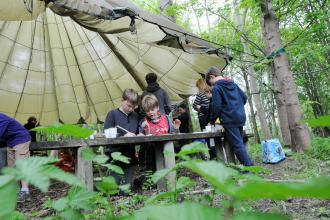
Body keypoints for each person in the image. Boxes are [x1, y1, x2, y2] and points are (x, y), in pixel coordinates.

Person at [205, 67, 253, 166]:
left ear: (212, 76)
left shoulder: (217, 88)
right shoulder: (233, 84)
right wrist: (237, 107)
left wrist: (212, 120)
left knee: (237, 145)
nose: (212, 86)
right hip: (240, 117)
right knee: (239, 143)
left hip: (230, 119)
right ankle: (249, 165)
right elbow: (244, 98)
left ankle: (249, 168)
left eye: (211, 83)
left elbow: (216, 106)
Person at [104, 89, 140, 187]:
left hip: (130, 158)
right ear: (122, 100)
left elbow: (138, 132)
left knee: (126, 192)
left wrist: (141, 133)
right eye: (129, 106)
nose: (131, 109)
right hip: (114, 158)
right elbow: (107, 134)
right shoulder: (112, 114)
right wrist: (123, 136)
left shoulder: (136, 116)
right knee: (112, 190)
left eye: (133, 107)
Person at [139, 95, 180, 171]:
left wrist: (176, 128)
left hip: (168, 149)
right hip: (152, 153)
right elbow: (141, 137)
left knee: (170, 171)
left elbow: (173, 134)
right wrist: (143, 131)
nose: (150, 112)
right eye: (147, 111)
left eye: (152, 109)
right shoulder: (144, 122)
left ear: (157, 107)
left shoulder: (166, 118)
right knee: (157, 174)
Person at [0, 113, 31, 201]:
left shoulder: (1, 118)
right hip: (10, 142)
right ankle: (15, 191)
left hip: (21, 139)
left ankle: (25, 191)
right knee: (12, 167)